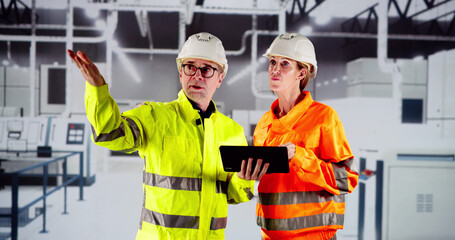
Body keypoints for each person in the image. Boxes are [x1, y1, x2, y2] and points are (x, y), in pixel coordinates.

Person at [67, 32, 268, 240]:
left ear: (220, 78)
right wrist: (98, 90)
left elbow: (236, 196)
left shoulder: (232, 132)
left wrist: (244, 179)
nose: (197, 75)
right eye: (190, 67)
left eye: (207, 69)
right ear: (181, 73)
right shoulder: (155, 117)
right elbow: (109, 133)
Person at [253, 33, 359, 240]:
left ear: (302, 73)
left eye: (285, 64)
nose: (275, 69)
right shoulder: (264, 123)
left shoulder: (324, 117)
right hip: (269, 236)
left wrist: (300, 157)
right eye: (272, 62)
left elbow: (347, 179)